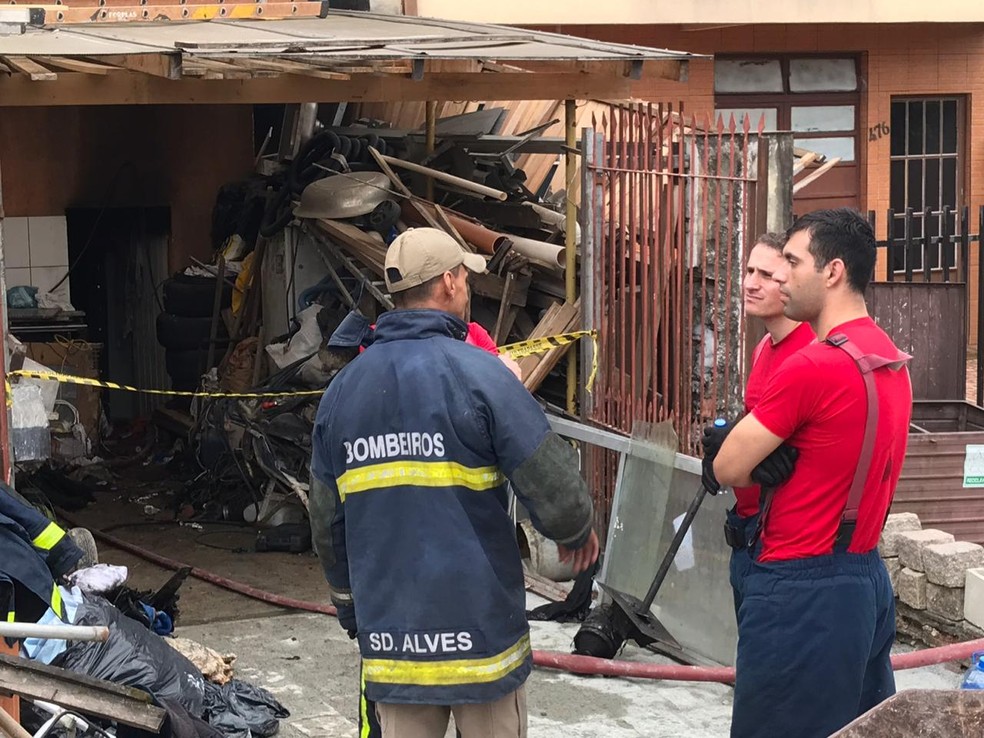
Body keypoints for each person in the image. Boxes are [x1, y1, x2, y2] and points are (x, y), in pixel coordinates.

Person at [309, 227, 599, 738]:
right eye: (464, 277)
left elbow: (325, 517)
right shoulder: (482, 375)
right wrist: (575, 531)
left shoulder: (342, 394)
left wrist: (349, 604)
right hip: (481, 641)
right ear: (448, 282)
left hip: (395, 646)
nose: (466, 288)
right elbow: (550, 476)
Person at [704, 209, 912, 738]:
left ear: (833, 272)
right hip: (863, 576)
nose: (782, 276)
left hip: (800, 587)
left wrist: (736, 450)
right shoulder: (889, 358)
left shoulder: (815, 364)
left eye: (792, 263)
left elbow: (727, 465)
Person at [721, 233, 814, 615]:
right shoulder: (763, 348)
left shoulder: (809, 353)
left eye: (765, 274)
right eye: (748, 271)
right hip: (746, 531)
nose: (749, 283)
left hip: (779, 543)